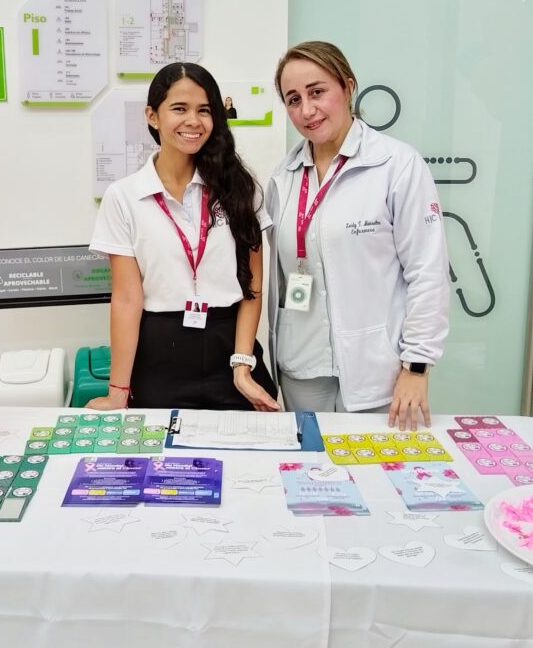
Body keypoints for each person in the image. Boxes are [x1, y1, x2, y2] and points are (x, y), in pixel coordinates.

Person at [266, 41, 449, 430]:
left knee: (376, 477)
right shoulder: (282, 178)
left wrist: (416, 366)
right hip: (301, 369)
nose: (307, 110)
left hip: (378, 373)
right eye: (293, 99)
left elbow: (427, 272)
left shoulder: (397, 166)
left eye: (318, 92)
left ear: (348, 87)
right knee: (309, 473)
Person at [87, 62, 279, 411]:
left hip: (230, 345)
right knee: (163, 460)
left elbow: (252, 287)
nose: (194, 120)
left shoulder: (238, 188)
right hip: (161, 352)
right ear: (152, 116)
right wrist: (118, 392)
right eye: (180, 108)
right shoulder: (124, 197)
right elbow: (128, 299)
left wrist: (242, 367)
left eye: (204, 110)